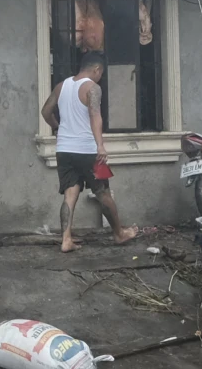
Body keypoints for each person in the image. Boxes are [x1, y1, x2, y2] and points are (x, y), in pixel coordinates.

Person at [40, 52, 137, 252]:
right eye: (100, 73)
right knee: (103, 193)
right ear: (96, 69)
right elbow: (95, 116)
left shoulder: (61, 86)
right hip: (87, 151)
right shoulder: (93, 88)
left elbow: (45, 112)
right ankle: (119, 233)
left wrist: (57, 128)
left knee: (69, 195)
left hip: (64, 150)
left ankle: (66, 240)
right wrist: (100, 145)